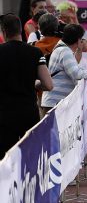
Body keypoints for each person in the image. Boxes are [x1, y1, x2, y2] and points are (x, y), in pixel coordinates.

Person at [0, 14, 53, 159]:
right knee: (30, 156)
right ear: (20, 30)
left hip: (4, 114)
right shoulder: (35, 52)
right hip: (28, 111)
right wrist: (35, 83)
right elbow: (48, 85)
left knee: (5, 159)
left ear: (4, 31)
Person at [42, 24, 87, 112]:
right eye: (81, 39)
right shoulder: (65, 51)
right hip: (54, 104)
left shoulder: (62, 49)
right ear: (78, 40)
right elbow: (76, 73)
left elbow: (75, 68)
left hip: (55, 102)